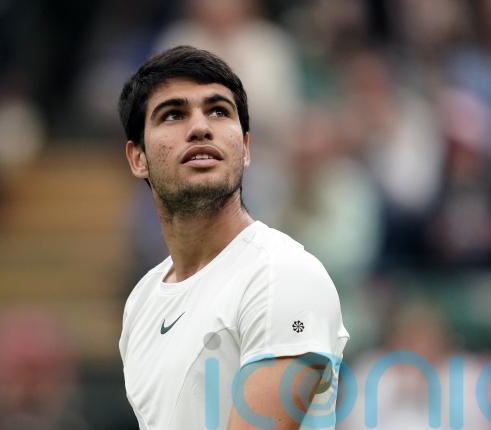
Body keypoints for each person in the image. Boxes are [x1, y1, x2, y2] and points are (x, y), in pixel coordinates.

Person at [118, 45, 349, 430]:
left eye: (218, 111)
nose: (200, 127)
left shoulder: (282, 275)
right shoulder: (141, 302)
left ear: (244, 147)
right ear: (137, 158)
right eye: (173, 114)